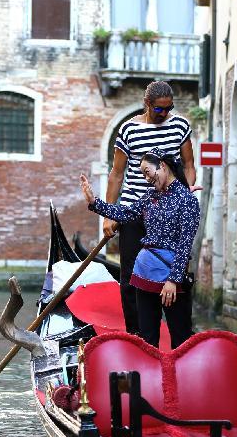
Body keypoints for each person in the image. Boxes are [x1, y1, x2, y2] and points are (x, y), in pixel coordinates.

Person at [81, 148, 200, 349]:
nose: (146, 178)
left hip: (172, 278)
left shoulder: (187, 200)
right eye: (143, 174)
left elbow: (184, 244)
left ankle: (178, 378)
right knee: (147, 338)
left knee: (180, 339)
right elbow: (126, 213)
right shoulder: (150, 196)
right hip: (144, 274)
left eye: (147, 172)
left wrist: (172, 280)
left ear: (162, 166)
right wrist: (94, 203)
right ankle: (148, 377)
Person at [106, 81, 196, 335]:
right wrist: (107, 216)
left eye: (169, 109)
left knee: (175, 269)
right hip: (135, 209)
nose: (165, 114)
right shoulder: (129, 130)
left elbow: (188, 165)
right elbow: (116, 174)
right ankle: (136, 334)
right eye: (159, 110)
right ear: (147, 105)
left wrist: (185, 197)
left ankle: (179, 335)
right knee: (130, 278)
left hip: (170, 211)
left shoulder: (180, 126)